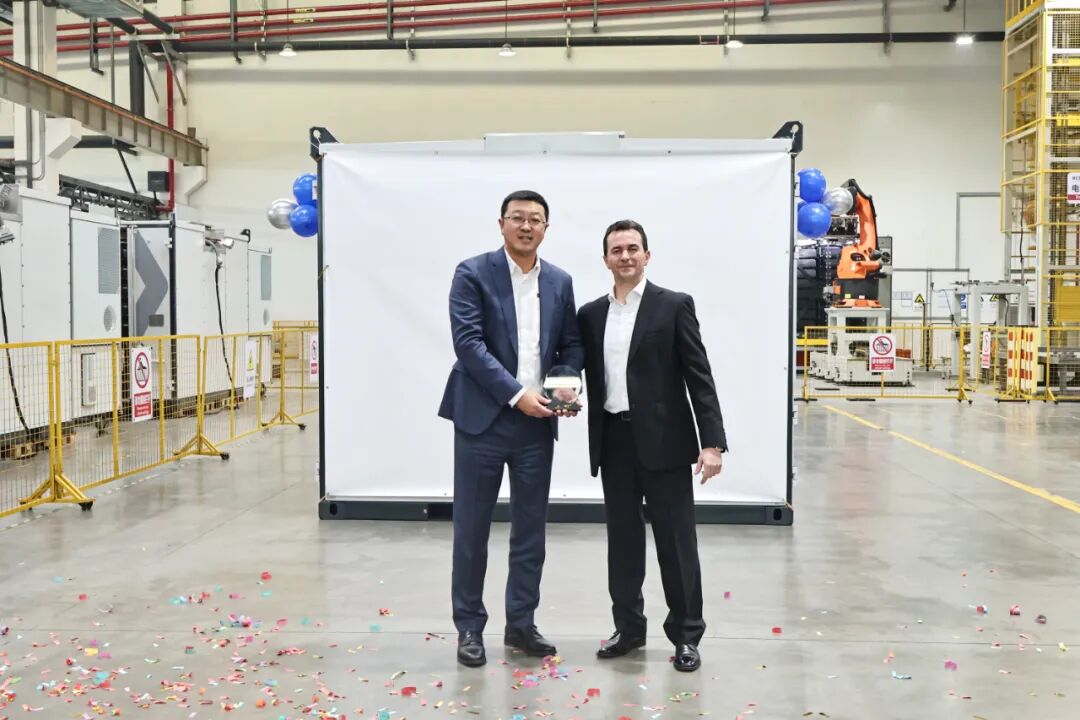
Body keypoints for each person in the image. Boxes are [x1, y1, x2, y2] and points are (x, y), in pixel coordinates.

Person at [438, 190, 584, 668]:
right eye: (517, 218)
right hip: (481, 421)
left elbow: (570, 345)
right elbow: (469, 344)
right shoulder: (472, 273)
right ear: (501, 223)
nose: (526, 226)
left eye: (535, 219)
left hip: (536, 424)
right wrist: (516, 394)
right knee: (472, 530)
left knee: (530, 531)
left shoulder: (559, 281)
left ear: (546, 228)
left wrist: (564, 385)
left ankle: (521, 623)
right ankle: (469, 628)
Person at [576, 219, 727, 673]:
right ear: (606, 259)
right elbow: (573, 366)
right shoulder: (590, 315)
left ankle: (686, 635)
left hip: (666, 443)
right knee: (623, 543)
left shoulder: (673, 305)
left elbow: (699, 375)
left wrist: (712, 443)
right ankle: (628, 629)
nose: (625, 256)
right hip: (614, 441)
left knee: (676, 543)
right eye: (616, 250)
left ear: (647, 255)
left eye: (632, 248)